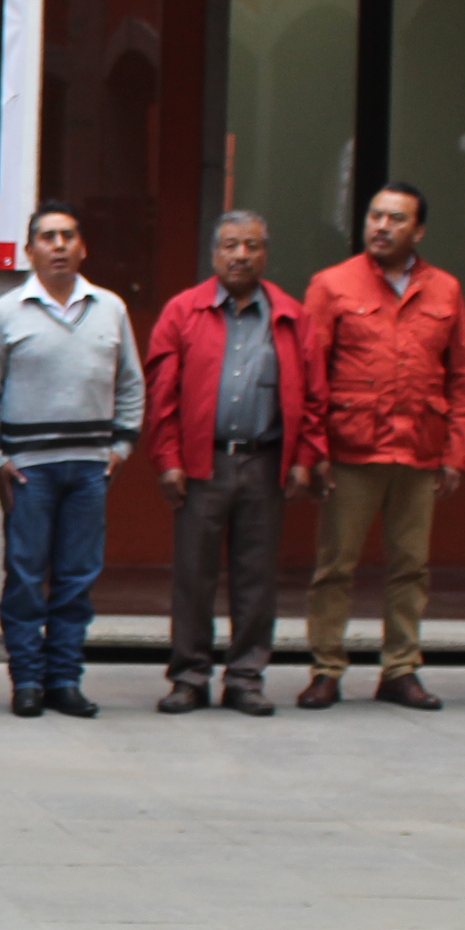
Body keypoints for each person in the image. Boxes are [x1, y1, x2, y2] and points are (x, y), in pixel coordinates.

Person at [299, 183, 465, 710]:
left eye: (396, 219)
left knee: (410, 567)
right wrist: (315, 450)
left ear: (418, 231)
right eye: (375, 215)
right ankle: (326, 667)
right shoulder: (332, 285)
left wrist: (457, 454)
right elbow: (310, 377)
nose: (381, 226)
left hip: (419, 451)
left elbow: (463, 377)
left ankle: (400, 668)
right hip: (351, 450)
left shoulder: (445, 290)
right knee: (336, 566)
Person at [145, 210, 321, 716]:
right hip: (203, 464)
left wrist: (304, 459)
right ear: (213, 253)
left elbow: (314, 396)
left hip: (265, 463)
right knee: (193, 576)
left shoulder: (290, 316)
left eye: (251, 245)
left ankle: (246, 676)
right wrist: (168, 460)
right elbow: (164, 396)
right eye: (229, 246)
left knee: (256, 577)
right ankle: (190, 676)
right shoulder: (184, 311)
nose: (240, 255)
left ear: (266, 253)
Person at [0, 200, 145, 719]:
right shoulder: (5, 313)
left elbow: (131, 384)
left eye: (67, 236)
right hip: (28, 470)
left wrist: (120, 447)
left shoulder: (110, 308)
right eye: (47, 237)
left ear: (83, 247)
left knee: (77, 578)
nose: (58, 246)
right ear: (29, 250)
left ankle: (64, 680)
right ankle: (26, 679)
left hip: (90, 468)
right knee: (26, 577)